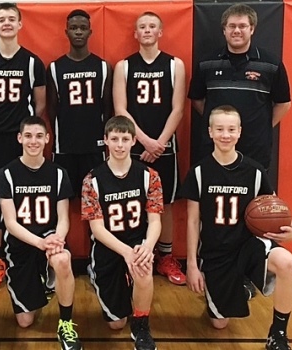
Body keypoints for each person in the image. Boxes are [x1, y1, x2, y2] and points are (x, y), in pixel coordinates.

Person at [180, 105, 292, 350]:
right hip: (216, 253)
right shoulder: (199, 172)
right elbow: (192, 221)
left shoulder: (255, 171)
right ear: (210, 132)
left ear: (240, 132)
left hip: (249, 245)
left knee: (288, 263)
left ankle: (277, 334)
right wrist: (191, 264)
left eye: (231, 129)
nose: (226, 135)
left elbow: (275, 207)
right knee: (219, 323)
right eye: (220, 129)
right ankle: (241, 287)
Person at [0, 2, 46, 291]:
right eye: (1, 19)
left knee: (28, 195)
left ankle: (31, 255)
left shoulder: (32, 62)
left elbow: (40, 104)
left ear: (20, 25)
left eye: (11, 19)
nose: (6, 23)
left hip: (24, 140)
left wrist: (26, 133)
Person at [0, 117, 82, 350]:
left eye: (39, 136)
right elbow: (11, 223)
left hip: (51, 236)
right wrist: (40, 243)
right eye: (29, 136)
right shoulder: (7, 174)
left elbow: (63, 217)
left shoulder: (59, 173)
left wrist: (56, 240)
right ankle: (40, 283)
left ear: (47, 139)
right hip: (21, 243)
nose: (34, 141)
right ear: (20, 138)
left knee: (63, 259)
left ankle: (66, 323)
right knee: (25, 322)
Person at [113, 11, 186, 286]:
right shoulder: (124, 66)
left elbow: (178, 109)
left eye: (152, 26)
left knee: (164, 203)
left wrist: (159, 143)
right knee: (129, 199)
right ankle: (130, 257)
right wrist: (143, 141)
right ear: (135, 33)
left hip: (165, 145)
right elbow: (120, 109)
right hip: (132, 145)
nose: (146, 30)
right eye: (142, 26)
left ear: (160, 32)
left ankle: (165, 257)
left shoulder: (175, 65)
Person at [82, 115, 162, 350]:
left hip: (138, 241)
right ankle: (98, 274)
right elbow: (96, 228)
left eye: (124, 139)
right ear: (105, 140)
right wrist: (126, 253)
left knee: (144, 268)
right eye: (114, 139)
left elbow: (155, 221)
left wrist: (146, 247)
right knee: (116, 324)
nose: (119, 145)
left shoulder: (150, 176)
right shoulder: (92, 179)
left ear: (134, 141)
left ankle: (141, 325)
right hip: (108, 246)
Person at [188, 3, 291, 170]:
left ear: (252, 29)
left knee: (255, 195)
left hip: (255, 148)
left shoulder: (271, 64)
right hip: (216, 148)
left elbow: (284, 103)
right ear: (224, 30)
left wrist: (261, 126)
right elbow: (197, 100)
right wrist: (219, 125)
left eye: (242, 26)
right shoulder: (206, 63)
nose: (237, 31)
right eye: (232, 26)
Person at [47, 8, 112, 196]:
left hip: (94, 145)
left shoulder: (103, 67)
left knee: (95, 197)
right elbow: (51, 109)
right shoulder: (54, 68)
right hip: (64, 146)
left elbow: (107, 108)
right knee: (62, 198)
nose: (78, 32)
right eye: (73, 28)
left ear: (90, 32)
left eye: (83, 28)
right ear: (66, 31)